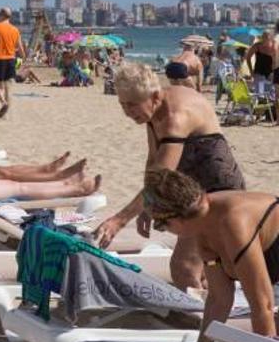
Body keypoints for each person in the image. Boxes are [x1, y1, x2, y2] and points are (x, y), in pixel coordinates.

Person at [94, 63, 245, 289]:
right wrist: (147, 207)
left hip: (219, 191)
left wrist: (119, 220)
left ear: (154, 96)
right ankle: (210, 308)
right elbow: (153, 160)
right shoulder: (153, 109)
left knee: (185, 267)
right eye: (123, 105)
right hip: (190, 191)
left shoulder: (176, 117)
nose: (127, 112)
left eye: (132, 105)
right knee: (201, 267)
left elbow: (162, 178)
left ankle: (204, 318)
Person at [140, 168, 279, 342]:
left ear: (176, 218)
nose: (164, 231)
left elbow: (262, 305)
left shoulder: (233, 222)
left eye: (160, 226)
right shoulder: (201, 224)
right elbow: (219, 298)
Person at [0, 7, 25, 118]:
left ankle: (3, 104)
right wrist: (23, 58)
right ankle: (7, 114)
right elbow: (20, 47)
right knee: (8, 87)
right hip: (11, 59)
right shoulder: (15, 30)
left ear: (2, 15)